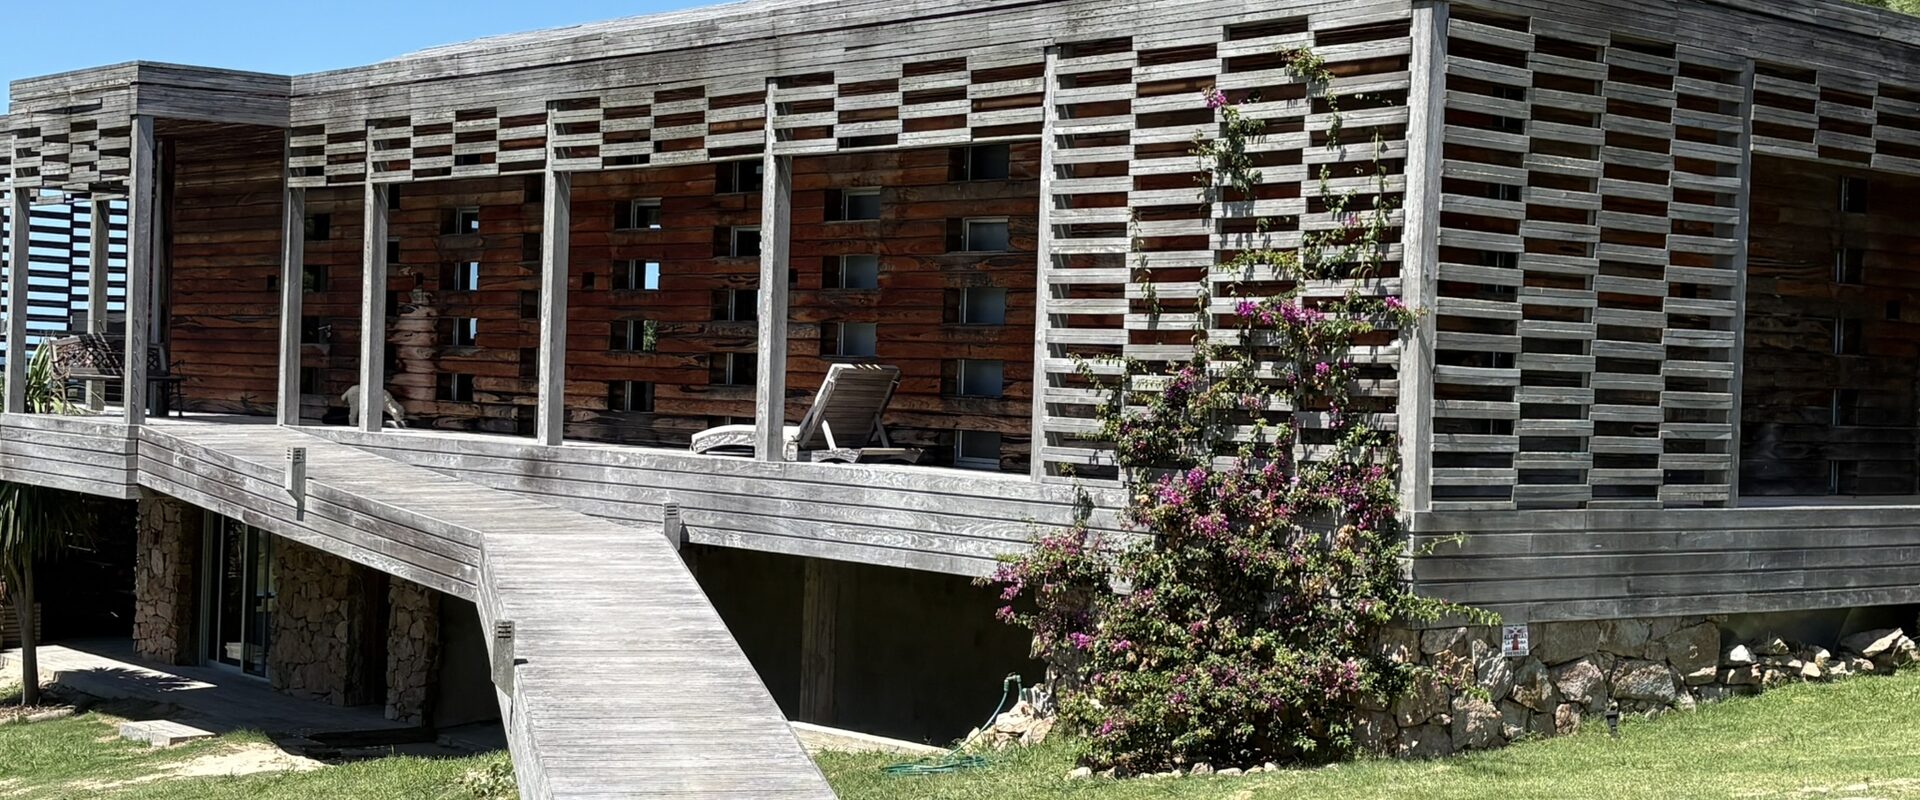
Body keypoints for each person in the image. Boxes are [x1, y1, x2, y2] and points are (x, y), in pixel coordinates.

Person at [342, 384, 408, 428]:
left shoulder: (386, 399)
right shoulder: (388, 403)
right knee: (355, 407)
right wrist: (398, 420)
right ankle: (352, 422)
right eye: (401, 415)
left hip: (358, 391)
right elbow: (394, 412)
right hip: (356, 392)